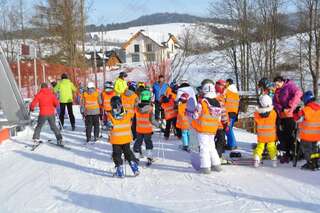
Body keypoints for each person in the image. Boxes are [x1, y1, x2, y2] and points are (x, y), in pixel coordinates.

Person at [191, 79, 222, 174]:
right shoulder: (217, 103)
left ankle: (205, 167)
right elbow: (219, 118)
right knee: (212, 147)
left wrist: (192, 114)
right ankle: (216, 165)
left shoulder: (202, 103)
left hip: (203, 129)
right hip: (212, 129)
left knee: (204, 148)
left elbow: (195, 115)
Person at [273, 75, 302, 163]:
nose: (276, 86)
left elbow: (299, 93)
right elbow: (274, 102)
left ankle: (296, 152)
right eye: (275, 85)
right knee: (281, 135)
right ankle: (287, 153)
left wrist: (290, 105)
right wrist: (281, 108)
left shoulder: (290, 86)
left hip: (290, 115)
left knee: (289, 135)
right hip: (281, 115)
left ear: (281, 81)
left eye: (277, 84)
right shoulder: (277, 91)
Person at [108, 96, 140, 178]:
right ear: (121, 104)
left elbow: (109, 126)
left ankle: (120, 170)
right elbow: (134, 113)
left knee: (116, 155)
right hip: (126, 138)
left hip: (116, 139)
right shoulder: (128, 113)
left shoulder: (110, 115)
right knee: (128, 152)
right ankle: (134, 167)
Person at [293, 91, 320, 171]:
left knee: (307, 150)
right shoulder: (319, 109)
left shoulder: (305, 110)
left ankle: (310, 163)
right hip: (316, 135)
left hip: (306, 136)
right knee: (314, 149)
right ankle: (316, 162)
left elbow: (297, 119)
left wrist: (295, 112)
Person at [133, 88, 158, 164]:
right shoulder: (150, 109)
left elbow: (134, 118)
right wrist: (159, 125)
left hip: (139, 130)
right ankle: (149, 157)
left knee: (138, 143)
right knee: (148, 143)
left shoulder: (137, 108)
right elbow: (152, 120)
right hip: (147, 130)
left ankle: (136, 158)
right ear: (149, 98)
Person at [253, 94, 278, 168]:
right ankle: (274, 160)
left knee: (260, 147)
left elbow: (256, 119)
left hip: (261, 134)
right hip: (271, 134)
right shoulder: (273, 113)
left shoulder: (257, 113)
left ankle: (257, 159)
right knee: (271, 147)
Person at [214, 80, 229, 161]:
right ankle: (217, 158)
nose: (225, 89)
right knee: (221, 140)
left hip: (213, 123)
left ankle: (215, 156)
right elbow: (222, 112)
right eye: (224, 87)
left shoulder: (213, 95)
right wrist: (226, 123)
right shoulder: (219, 97)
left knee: (216, 140)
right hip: (219, 124)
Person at [225, 79, 240, 150]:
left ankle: (232, 144)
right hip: (234, 113)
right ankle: (230, 144)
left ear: (228, 83)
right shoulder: (236, 93)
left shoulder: (227, 91)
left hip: (228, 112)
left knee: (228, 129)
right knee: (229, 129)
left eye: (226, 82)